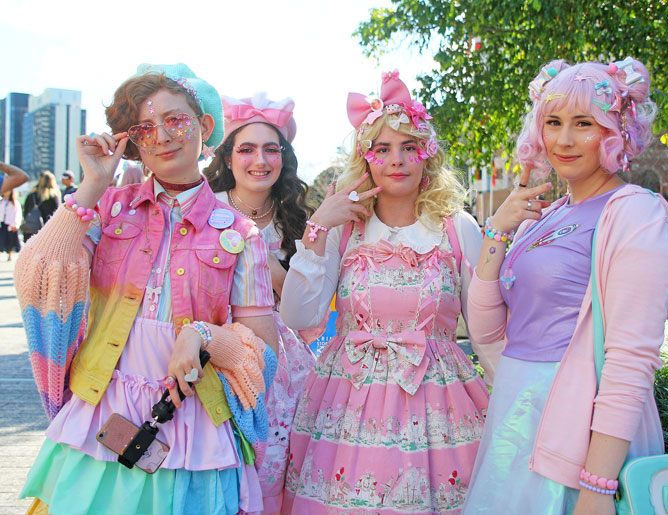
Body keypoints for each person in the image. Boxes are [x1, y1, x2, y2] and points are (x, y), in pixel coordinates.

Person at [14, 63, 279, 515]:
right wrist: (91, 188)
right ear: (132, 142)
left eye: (175, 120)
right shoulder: (107, 209)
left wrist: (204, 335)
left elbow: (263, 351)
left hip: (195, 429)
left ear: (205, 127)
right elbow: (37, 275)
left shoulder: (240, 233)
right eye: (144, 128)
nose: (161, 136)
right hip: (100, 410)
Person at [463, 58, 668, 514]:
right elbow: (486, 330)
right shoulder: (543, 216)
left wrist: (598, 486)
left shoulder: (636, 214)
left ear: (616, 130)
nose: (563, 140)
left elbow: (631, 359)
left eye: (584, 124)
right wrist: (497, 232)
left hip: (581, 429)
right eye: (553, 122)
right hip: (515, 417)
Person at [279, 71, 493, 514]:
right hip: (346, 406)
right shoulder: (345, 228)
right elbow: (298, 318)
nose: (396, 160)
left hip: (439, 411)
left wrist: (516, 403)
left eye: (408, 147)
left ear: (427, 157)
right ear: (367, 159)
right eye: (382, 149)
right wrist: (318, 226)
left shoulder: (458, 228)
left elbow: (488, 333)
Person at [204, 93, 316, 514]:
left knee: (284, 469)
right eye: (246, 148)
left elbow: (309, 305)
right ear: (228, 157)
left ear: (284, 158)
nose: (260, 160)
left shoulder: (300, 221)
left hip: (291, 366)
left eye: (272, 149)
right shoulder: (204, 211)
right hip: (219, 355)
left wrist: (268, 265)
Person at [0, 189, 22, 260]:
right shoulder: (1, 202)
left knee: (11, 240)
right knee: (2, 239)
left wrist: (15, 224)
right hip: (2, 223)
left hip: (10, 223)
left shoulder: (15, 203)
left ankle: (10, 254)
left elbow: (17, 214)